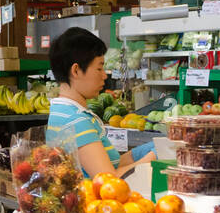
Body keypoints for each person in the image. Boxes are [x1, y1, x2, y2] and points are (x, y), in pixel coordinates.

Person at [47, 27, 155, 180]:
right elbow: (108, 180)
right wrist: (152, 158)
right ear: (76, 71)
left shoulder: (62, 110)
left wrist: (136, 155)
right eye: (99, 68)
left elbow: (107, 166)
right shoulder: (76, 121)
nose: (104, 76)